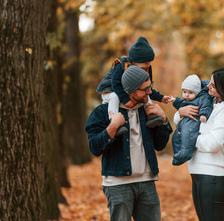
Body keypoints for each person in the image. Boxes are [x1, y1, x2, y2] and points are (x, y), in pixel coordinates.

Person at [85, 65, 173, 221]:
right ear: (131, 90)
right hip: (117, 184)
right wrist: (112, 127)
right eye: (145, 89)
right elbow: (94, 147)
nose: (150, 92)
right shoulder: (101, 112)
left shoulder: (147, 110)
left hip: (147, 182)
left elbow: (159, 145)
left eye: (150, 87)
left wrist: (163, 120)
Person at [173, 67, 224, 221]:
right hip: (199, 173)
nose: (208, 86)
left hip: (213, 176)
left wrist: (190, 139)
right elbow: (186, 121)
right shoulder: (209, 102)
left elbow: (213, 143)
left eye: (213, 85)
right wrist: (179, 113)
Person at [96, 36, 172, 136]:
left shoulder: (146, 68)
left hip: (129, 90)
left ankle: (151, 116)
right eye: (146, 62)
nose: (148, 65)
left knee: (145, 94)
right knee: (114, 97)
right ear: (135, 61)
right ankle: (114, 121)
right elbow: (116, 84)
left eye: (150, 62)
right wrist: (126, 100)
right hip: (110, 90)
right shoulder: (122, 65)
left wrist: (161, 98)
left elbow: (147, 88)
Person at [170, 74, 213, 166]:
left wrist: (203, 115)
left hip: (193, 123)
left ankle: (185, 154)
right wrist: (174, 100)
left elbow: (206, 106)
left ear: (197, 92)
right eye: (184, 92)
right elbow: (181, 104)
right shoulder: (186, 100)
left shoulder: (203, 98)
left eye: (190, 93)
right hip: (183, 123)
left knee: (187, 137)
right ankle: (178, 154)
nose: (187, 95)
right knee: (175, 138)